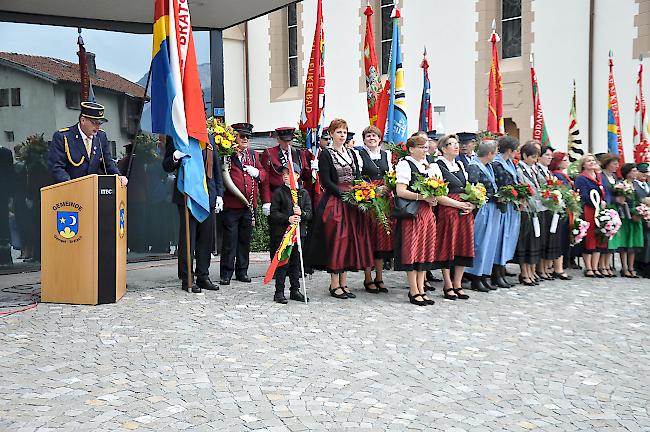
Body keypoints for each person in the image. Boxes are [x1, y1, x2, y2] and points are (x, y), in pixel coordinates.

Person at [306, 118, 373, 299]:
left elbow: (357, 176)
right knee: (337, 240)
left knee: (350, 241)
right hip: (336, 201)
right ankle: (334, 284)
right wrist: (345, 196)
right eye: (339, 132)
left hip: (352, 202)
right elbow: (326, 181)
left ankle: (344, 283)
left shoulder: (351, 153)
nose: (342, 136)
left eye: (344, 132)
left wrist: (363, 191)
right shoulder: (326, 154)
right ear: (331, 134)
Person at [162, 134, 224, 293]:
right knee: (187, 239)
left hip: (207, 195)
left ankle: (203, 275)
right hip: (187, 195)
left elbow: (216, 169)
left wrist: (219, 195)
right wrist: (176, 156)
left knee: (206, 238)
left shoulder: (209, 139)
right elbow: (167, 165)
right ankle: (187, 277)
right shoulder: (178, 138)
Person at [394, 135, 440, 306]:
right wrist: (422, 196)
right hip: (413, 213)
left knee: (424, 251)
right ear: (411, 149)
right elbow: (400, 191)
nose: (424, 151)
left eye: (426, 148)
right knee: (412, 252)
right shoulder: (405, 164)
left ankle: (421, 288)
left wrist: (433, 198)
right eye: (421, 147)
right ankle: (413, 290)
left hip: (426, 213)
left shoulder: (427, 166)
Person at [220, 122, 268, 285]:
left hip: (249, 206)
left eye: (248, 136)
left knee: (244, 241)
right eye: (242, 136)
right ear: (235, 137)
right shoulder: (227, 154)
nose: (245, 139)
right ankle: (226, 273)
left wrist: (257, 173)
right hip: (232, 205)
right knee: (230, 241)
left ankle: (242, 271)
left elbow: (263, 174)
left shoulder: (253, 155)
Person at [48, 101, 127, 187]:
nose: (97, 127)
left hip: (92, 191)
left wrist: (119, 177)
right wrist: (71, 186)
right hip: (69, 192)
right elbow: (57, 168)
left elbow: (108, 163)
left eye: (99, 123)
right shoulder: (63, 137)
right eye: (94, 122)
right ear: (83, 120)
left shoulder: (101, 136)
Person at [434, 134, 475, 299]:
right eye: (452, 144)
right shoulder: (437, 166)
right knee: (447, 246)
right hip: (448, 210)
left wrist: (472, 204)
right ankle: (447, 284)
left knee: (462, 245)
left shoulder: (460, 165)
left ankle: (458, 283)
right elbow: (437, 194)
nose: (456, 146)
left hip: (464, 211)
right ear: (443, 149)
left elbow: (468, 189)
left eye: (457, 144)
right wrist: (457, 204)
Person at [269, 162, 311, 303]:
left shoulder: (303, 193)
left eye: (289, 173)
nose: (286, 176)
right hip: (283, 233)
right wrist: (288, 218)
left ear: (298, 176)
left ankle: (295, 290)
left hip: (299, 233)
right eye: (284, 174)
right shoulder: (279, 192)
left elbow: (310, 213)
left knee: (296, 263)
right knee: (283, 262)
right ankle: (279, 291)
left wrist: (302, 214)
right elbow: (274, 213)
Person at [357, 125, 393, 293]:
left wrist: (387, 186)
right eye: (368, 136)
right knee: (369, 239)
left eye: (375, 136)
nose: (372, 138)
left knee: (381, 239)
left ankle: (379, 276)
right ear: (364, 139)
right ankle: (368, 277)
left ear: (380, 139)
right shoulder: (359, 155)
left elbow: (391, 176)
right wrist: (371, 190)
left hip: (384, 200)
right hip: (368, 199)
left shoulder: (387, 155)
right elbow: (357, 178)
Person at [465, 140, 502, 289]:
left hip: (491, 207)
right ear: (489, 154)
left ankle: (484, 274)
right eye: (495, 152)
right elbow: (474, 188)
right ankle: (475, 276)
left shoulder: (488, 166)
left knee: (489, 243)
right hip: (482, 209)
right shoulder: (474, 167)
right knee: (480, 242)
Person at [260, 127, 311, 219]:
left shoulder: (299, 154)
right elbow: (265, 179)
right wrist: (266, 201)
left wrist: (314, 168)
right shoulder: (269, 153)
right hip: (277, 197)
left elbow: (306, 175)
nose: (287, 143)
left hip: (296, 197)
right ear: (278, 140)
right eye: (284, 140)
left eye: (289, 140)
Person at [492, 136, 521, 288]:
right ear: (509, 150)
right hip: (502, 206)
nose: (517, 153)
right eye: (515, 150)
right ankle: (496, 273)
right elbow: (501, 184)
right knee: (500, 239)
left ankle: (502, 269)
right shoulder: (498, 164)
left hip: (511, 206)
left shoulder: (510, 163)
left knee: (507, 238)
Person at [574, 154, 608, 278]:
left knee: (598, 235)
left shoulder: (598, 177)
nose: (592, 162)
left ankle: (595, 266)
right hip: (588, 210)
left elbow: (602, 192)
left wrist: (602, 202)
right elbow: (582, 195)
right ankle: (588, 267)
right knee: (589, 238)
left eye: (593, 160)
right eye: (588, 161)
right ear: (583, 164)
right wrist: (596, 202)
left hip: (598, 211)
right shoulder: (581, 178)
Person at [609, 163, 644, 277]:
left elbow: (641, 199)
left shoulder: (637, 185)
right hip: (625, 215)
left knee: (633, 242)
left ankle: (631, 266)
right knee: (624, 242)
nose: (636, 173)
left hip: (636, 214)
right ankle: (624, 267)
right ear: (627, 173)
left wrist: (641, 211)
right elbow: (618, 200)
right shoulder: (621, 184)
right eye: (633, 171)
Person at [515, 142, 543, 286]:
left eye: (537, 157)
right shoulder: (519, 169)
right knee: (526, 242)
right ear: (524, 156)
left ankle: (532, 270)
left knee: (534, 241)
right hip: (526, 209)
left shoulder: (534, 169)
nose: (535, 160)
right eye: (532, 157)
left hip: (536, 209)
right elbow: (523, 188)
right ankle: (524, 272)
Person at [536, 145, 564, 280]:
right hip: (542, 208)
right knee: (543, 239)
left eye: (550, 155)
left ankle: (546, 268)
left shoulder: (548, 172)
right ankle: (540, 269)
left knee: (550, 239)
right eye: (546, 155)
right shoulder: (537, 171)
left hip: (550, 208)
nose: (549, 158)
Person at [549, 151, 574, 280]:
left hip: (566, 209)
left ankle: (558, 266)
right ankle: (558, 268)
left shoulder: (564, 175)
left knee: (563, 238)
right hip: (560, 210)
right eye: (565, 159)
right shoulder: (558, 176)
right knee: (560, 238)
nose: (567, 161)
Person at [598, 154, 621, 277]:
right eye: (614, 163)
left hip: (615, 208)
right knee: (604, 235)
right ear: (607, 163)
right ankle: (601, 264)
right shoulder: (601, 176)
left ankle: (607, 264)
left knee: (612, 237)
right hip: (606, 206)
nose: (617, 166)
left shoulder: (615, 177)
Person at [633, 162, 650, 277]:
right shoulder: (633, 185)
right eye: (642, 172)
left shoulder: (648, 185)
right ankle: (641, 264)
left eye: (646, 172)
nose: (644, 174)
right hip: (639, 215)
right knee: (645, 240)